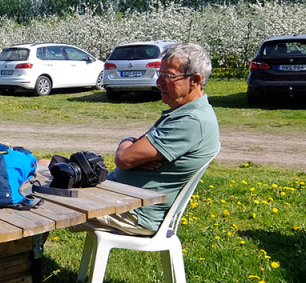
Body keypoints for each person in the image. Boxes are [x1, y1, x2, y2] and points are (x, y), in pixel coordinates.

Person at [71, 43, 220, 236]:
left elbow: (124, 159)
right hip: (121, 197)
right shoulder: (186, 113)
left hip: (133, 212)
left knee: (46, 199)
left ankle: (30, 261)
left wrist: (126, 143)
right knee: (46, 170)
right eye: (160, 74)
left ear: (195, 80)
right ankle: (30, 259)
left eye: (168, 76)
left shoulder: (191, 121)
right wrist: (132, 149)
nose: (159, 82)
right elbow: (130, 156)